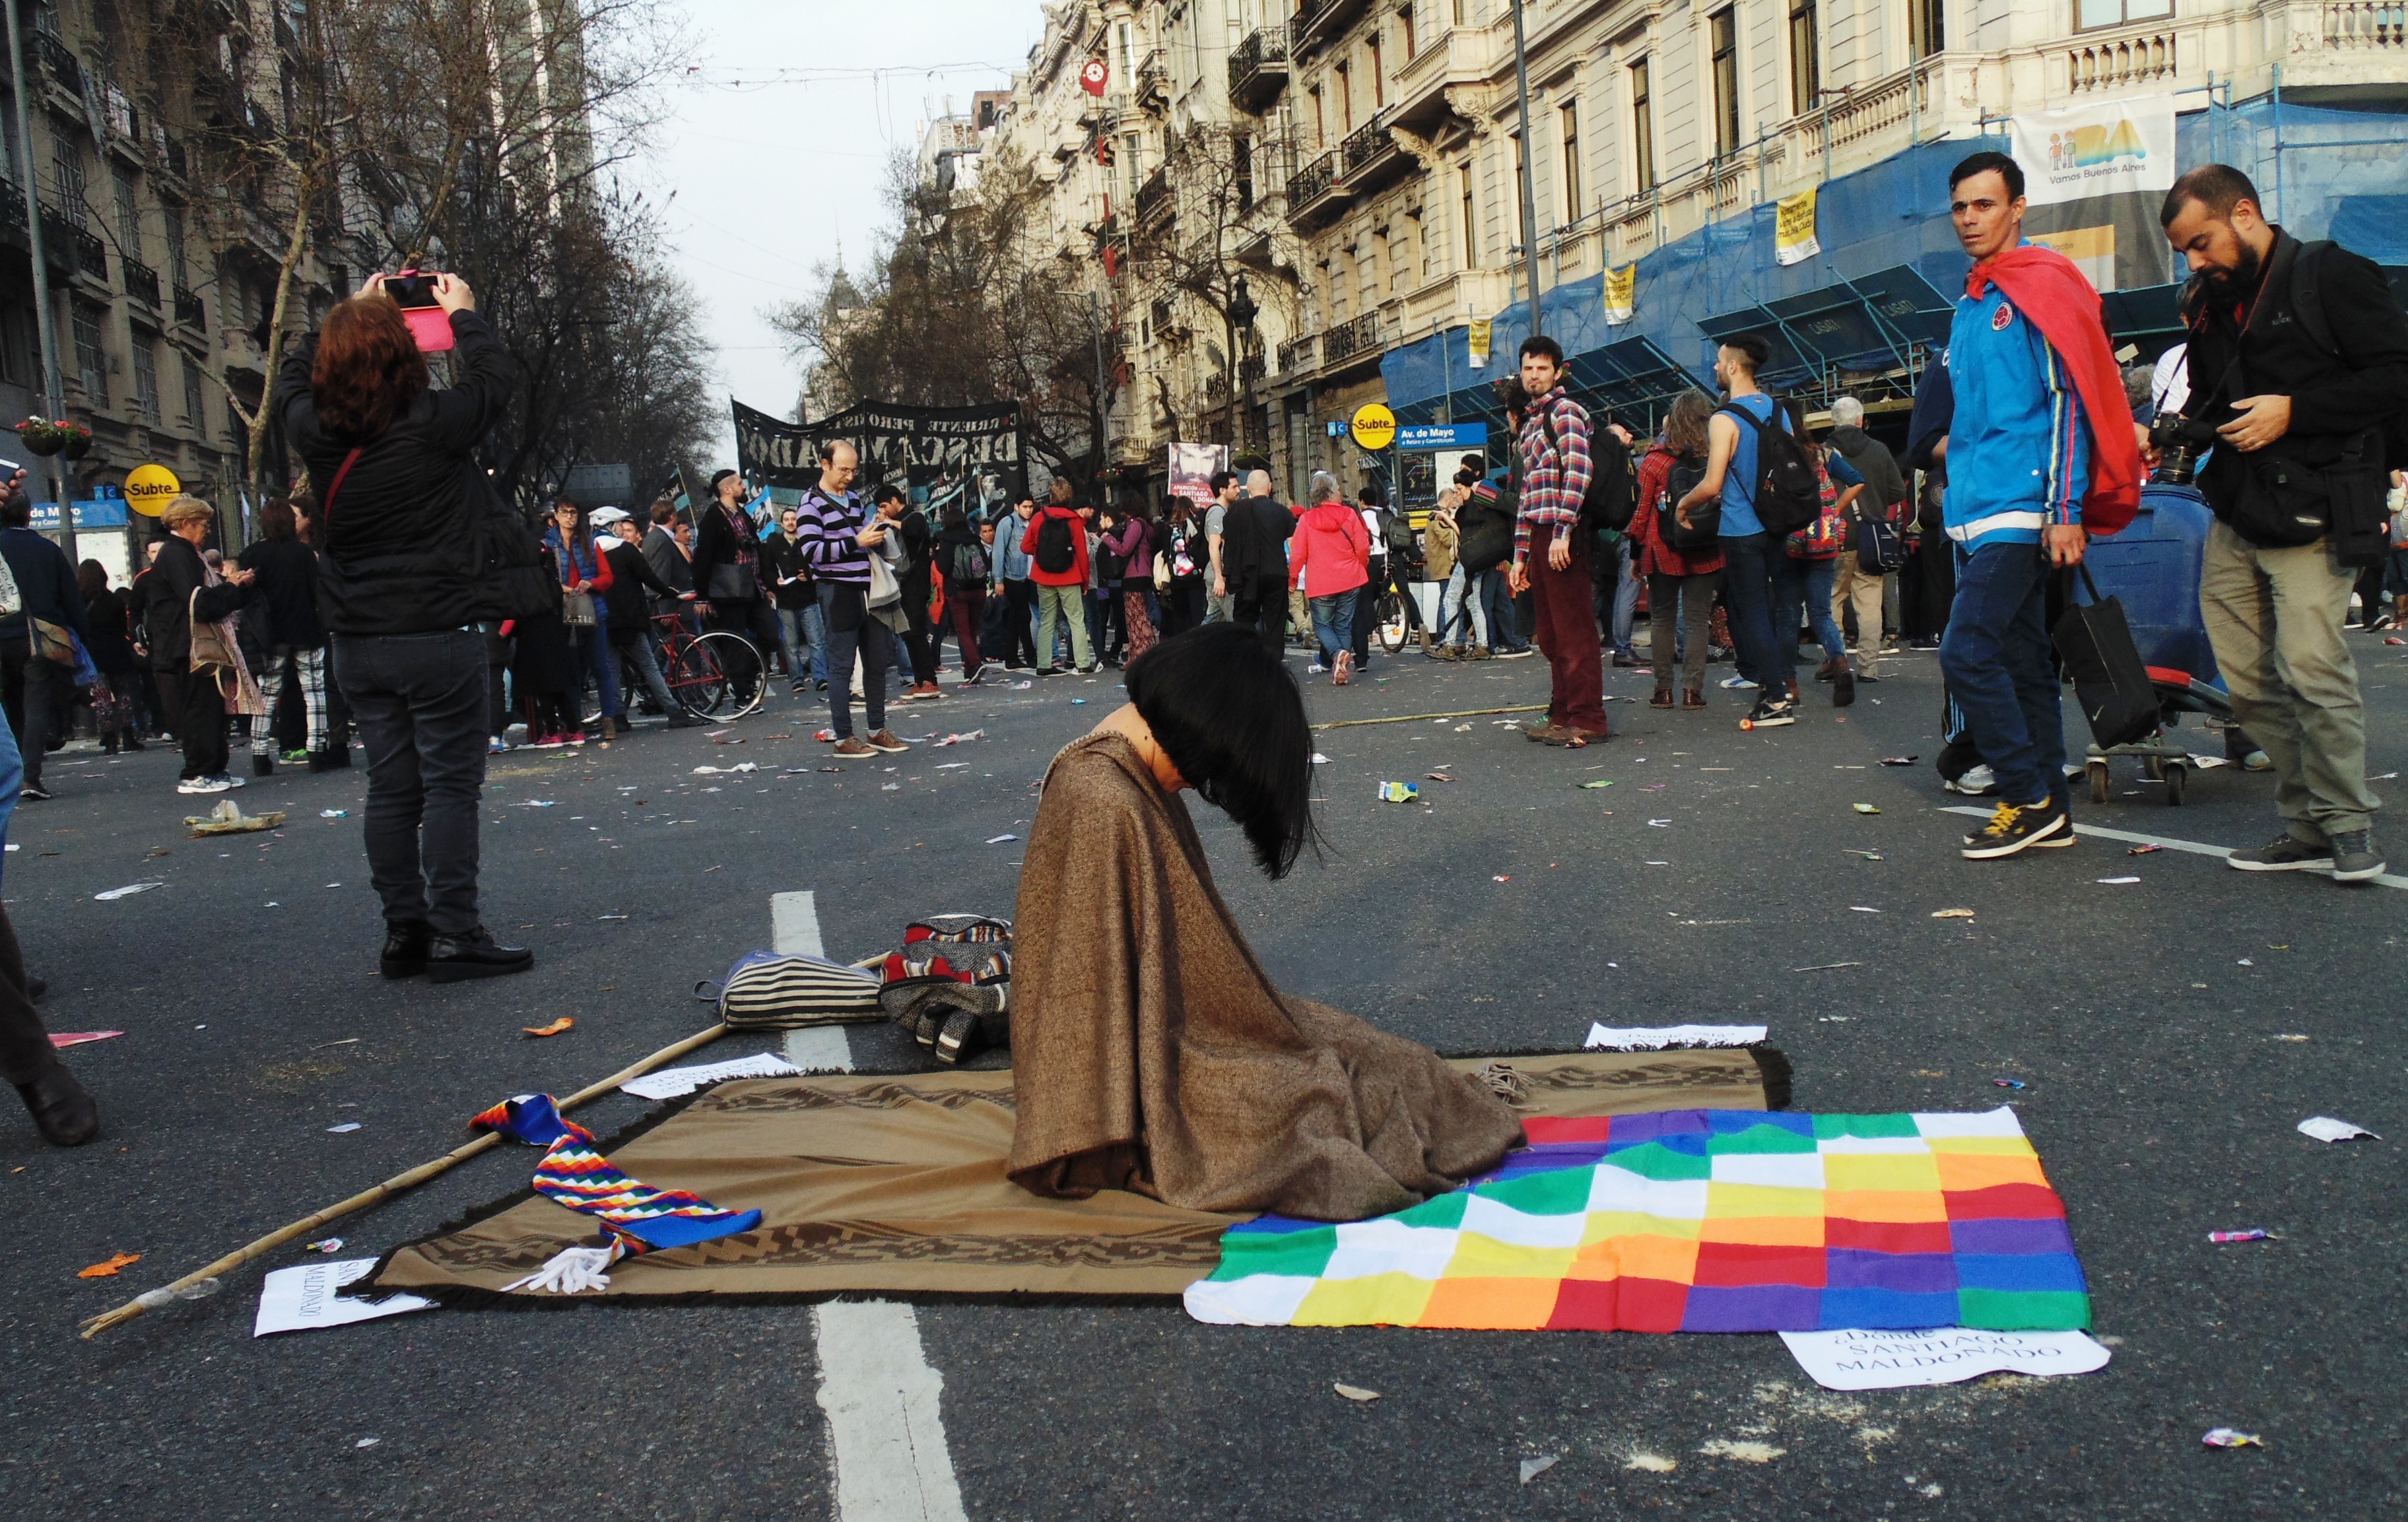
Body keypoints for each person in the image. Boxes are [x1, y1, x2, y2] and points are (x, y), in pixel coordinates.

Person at [1006, 622, 1523, 1218]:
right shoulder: (1106, 798)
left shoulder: (1123, 773)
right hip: (1140, 1063)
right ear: (1194, 732)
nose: (1196, 786)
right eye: (1205, 774)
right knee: (1309, 1098)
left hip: (1156, 1034)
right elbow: (1082, 993)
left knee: (1356, 1060)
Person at [272, 269, 532, 981]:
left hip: (357, 637)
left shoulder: (314, 429)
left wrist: (349, 312)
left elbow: (293, 377)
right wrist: (464, 313)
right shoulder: (435, 423)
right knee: (450, 786)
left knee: (390, 788)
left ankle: (404, 931)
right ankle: (456, 930)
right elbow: (494, 378)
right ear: (404, 354)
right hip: (437, 627)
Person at [2162, 164, 2408, 882]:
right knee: (2245, 683)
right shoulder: (2208, 301)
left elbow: (2397, 376)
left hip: (2320, 504)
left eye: (2201, 243)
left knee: (2310, 667)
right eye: (2184, 251)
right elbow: (2216, 401)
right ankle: (2306, 825)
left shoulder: (2332, 274)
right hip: (2238, 509)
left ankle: (2346, 822)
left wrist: (2295, 412)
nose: (2194, 262)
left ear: (2244, 213)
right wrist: (2178, 430)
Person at [1939, 150, 2140, 859]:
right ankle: (2051, 805)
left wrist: (2064, 507)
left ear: (2017, 208)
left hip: (2026, 505)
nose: (1969, 218)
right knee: (2023, 660)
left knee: (1966, 650)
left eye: (1984, 204)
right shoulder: (1972, 302)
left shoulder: (2041, 284)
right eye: (1960, 207)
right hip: (1979, 507)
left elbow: (2067, 401)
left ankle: (2024, 795)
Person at [1673, 333, 1798, 729]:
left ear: (1733, 367)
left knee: (1751, 610)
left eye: (1718, 360)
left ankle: (1776, 698)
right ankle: (1779, 684)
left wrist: (1683, 504)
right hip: (1776, 523)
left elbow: (1712, 484)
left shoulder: (1724, 419)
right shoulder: (1779, 411)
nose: (1714, 367)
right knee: (1771, 606)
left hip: (1741, 527)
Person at [1508, 336, 1610, 746]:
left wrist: (1563, 531)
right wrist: (1520, 556)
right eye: (1528, 368)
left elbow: (1579, 472)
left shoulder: (1566, 412)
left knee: (1574, 630)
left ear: (1557, 371)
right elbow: (1527, 494)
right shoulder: (1532, 422)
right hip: (1539, 533)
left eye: (1542, 368)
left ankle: (1589, 717)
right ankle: (1564, 713)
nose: (1534, 375)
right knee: (1550, 633)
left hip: (1562, 534)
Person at [797, 440, 908, 757]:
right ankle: (844, 736)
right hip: (838, 590)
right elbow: (812, 552)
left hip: (870, 589)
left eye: (853, 470)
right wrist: (856, 542)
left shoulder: (855, 499)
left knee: (876, 662)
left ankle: (876, 729)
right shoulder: (810, 504)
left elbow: (863, 540)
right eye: (843, 469)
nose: (849, 476)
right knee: (841, 666)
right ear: (825, 464)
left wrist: (877, 536)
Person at [151, 497, 257, 793]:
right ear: (186, 524)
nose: (207, 530)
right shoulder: (178, 554)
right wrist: (231, 587)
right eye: (203, 524)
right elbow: (199, 602)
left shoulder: (185, 554)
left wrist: (235, 588)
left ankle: (214, 768)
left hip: (190, 642)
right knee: (200, 709)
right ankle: (198, 771)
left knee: (211, 708)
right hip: (187, 644)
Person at [1631, 393, 1729, 710]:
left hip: (1662, 547)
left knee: (1662, 619)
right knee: (1697, 620)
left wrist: (1635, 554)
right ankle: (1692, 691)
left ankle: (1663, 690)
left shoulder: (1654, 461)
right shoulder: (1715, 456)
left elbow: (1641, 514)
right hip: (1705, 545)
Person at [1768, 409, 1864, 707]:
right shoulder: (1823, 454)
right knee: (1821, 612)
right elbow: (1857, 481)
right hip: (1823, 538)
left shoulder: (1775, 455)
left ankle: (1789, 686)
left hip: (1788, 540)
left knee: (1788, 614)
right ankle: (1840, 664)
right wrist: (1833, 511)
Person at [0, 494, 91, 801]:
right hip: (39, 636)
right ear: (29, 514)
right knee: (36, 705)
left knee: (10, 705)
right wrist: (82, 638)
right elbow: (71, 599)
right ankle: (30, 776)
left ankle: (10, 774)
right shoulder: (47, 549)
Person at [1825, 395, 1907, 686]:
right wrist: (1875, 500)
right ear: (1861, 420)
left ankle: (1837, 662)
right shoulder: (1879, 450)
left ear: (1833, 421)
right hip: (1871, 536)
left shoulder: (1824, 453)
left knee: (1833, 599)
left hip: (1837, 536)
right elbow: (1898, 492)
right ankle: (1868, 668)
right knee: (1870, 603)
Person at [601, 512, 703, 729]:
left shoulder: (591, 552)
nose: (622, 530)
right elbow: (648, 577)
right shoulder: (625, 550)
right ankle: (674, 711)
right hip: (631, 616)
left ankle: (618, 717)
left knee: (612, 669)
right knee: (649, 666)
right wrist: (669, 593)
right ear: (612, 527)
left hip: (605, 617)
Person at [542, 499, 620, 739]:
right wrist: (560, 589)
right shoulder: (547, 545)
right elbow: (543, 579)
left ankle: (609, 720)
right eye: (564, 512)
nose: (569, 517)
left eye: (573, 512)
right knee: (572, 670)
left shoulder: (590, 542)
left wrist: (592, 583)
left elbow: (607, 577)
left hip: (592, 610)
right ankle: (574, 724)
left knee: (600, 667)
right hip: (564, 612)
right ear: (556, 516)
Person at [690, 469, 766, 706]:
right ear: (727, 489)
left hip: (754, 586)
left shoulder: (743, 514)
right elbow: (702, 558)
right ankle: (743, 693)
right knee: (735, 643)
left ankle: (748, 679)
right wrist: (702, 596)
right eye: (740, 483)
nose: (744, 487)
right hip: (729, 591)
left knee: (770, 635)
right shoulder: (713, 518)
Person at [1289, 471, 1370, 684]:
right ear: (1332, 492)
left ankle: (1336, 655)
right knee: (1343, 625)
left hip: (1321, 582)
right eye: (1339, 490)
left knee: (1322, 625)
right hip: (1350, 578)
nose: (1341, 493)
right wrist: (1360, 567)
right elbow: (1363, 547)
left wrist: (1293, 579)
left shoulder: (1306, 520)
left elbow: (1298, 555)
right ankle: (1339, 665)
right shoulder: (1349, 515)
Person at [1024, 477, 1095, 675]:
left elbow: (1025, 546)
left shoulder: (1039, 518)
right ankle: (1082, 663)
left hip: (1043, 575)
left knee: (1047, 620)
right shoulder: (1074, 520)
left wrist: (1042, 553)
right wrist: (1085, 582)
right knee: (1076, 619)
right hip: (1069, 576)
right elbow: (1082, 555)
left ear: (1050, 496)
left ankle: (1044, 663)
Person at [1223, 468, 1293, 658]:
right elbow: (1292, 545)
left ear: (1248, 489)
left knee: (1244, 619)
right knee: (1276, 622)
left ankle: (1246, 658)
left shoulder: (1237, 512)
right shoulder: (1283, 512)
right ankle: (1274, 661)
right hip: (1277, 572)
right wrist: (1293, 574)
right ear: (1270, 487)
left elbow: (1226, 541)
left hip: (1247, 573)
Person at [75, 560, 142, 755]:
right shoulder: (114, 600)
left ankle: (109, 738)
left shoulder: (79, 603)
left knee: (102, 697)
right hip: (117, 652)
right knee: (123, 695)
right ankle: (128, 735)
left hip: (94, 655)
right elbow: (122, 628)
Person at [766, 505, 819, 694]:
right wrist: (775, 582)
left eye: (794, 519)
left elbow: (818, 563)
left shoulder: (807, 542)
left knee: (816, 641)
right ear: (782, 523)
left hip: (808, 598)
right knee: (791, 644)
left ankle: (820, 677)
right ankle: (797, 679)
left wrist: (809, 575)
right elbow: (767, 569)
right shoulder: (774, 544)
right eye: (787, 520)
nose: (790, 523)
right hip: (786, 600)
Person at [1104, 497, 1158, 664]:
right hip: (1144, 572)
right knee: (1138, 614)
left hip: (1134, 573)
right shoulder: (1147, 525)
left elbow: (1124, 549)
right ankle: (1140, 653)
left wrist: (1108, 538)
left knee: (1136, 616)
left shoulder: (1135, 525)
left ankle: (1143, 653)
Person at [993, 496, 1039, 669]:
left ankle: (1011, 657)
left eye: (1031, 507)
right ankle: (1030, 655)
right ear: (1016, 507)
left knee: (1015, 618)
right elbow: (998, 552)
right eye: (1025, 507)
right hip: (1012, 577)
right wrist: (998, 580)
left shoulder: (1031, 523)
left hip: (1028, 577)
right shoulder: (1007, 523)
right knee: (1023, 616)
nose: (1029, 510)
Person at [1422, 481, 1464, 659]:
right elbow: (1448, 539)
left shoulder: (1439, 515)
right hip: (1445, 565)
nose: (1456, 501)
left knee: (1450, 600)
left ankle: (1456, 639)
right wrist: (1457, 528)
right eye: (1454, 499)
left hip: (1444, 564)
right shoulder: (1437, 516)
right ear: (1447, 500)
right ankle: (1445, 637)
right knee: (1448, 601)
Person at [1203, 469, 1240, 624]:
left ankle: (1195, 639)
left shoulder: (1224, 511)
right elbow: (1214, 546)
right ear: (1222, 490)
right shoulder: (1218, 513)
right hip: (1219, 575)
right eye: (1234, 487)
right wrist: (1219, 577)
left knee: (1213, 620)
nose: (1238, 491)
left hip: (1217, 575)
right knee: (1234, 620)